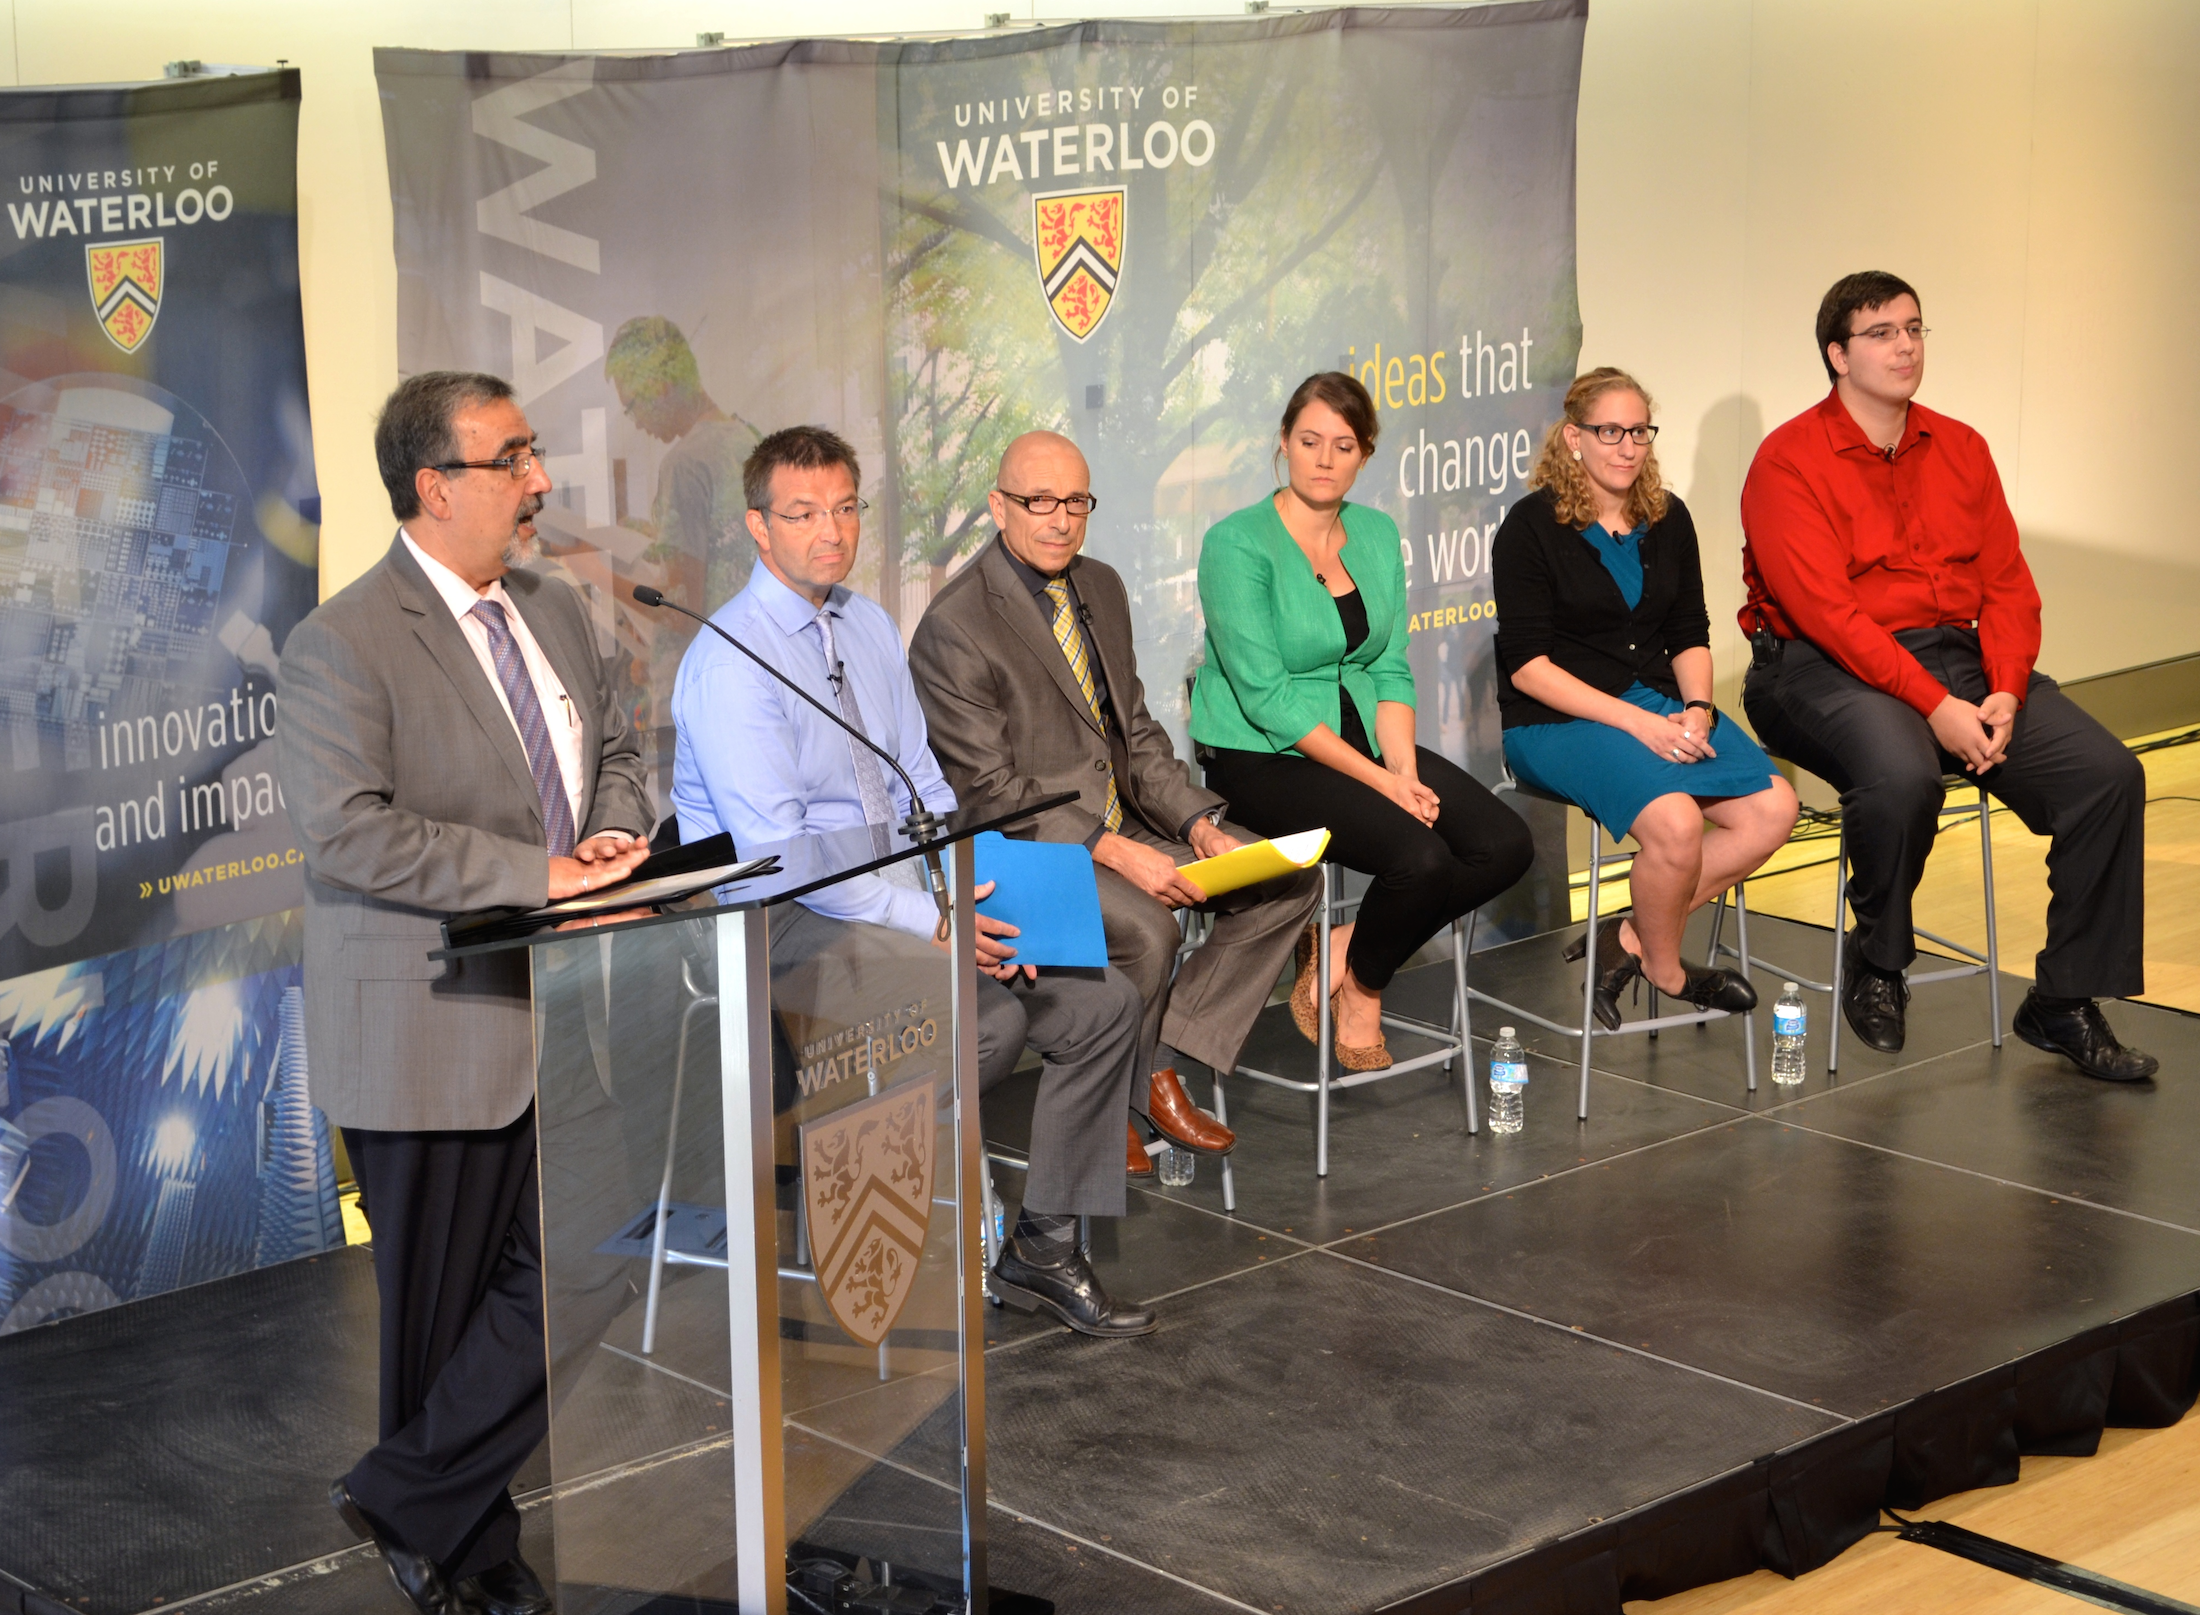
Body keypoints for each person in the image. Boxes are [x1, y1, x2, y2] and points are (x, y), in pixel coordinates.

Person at [278, 372, 653, 1615]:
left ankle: (403, 1491)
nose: (539, 481)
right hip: (428, 1023)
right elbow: (349, 834)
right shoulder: (341, 641)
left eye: (534, 455)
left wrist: (606, 838)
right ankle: (467, 1550)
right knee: (437, 1314)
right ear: (436, 486)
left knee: (591, 1260)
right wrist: (539, 875)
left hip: (574, 1008)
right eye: (513, 460)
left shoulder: (554, 606)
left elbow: (615, 751)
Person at [670, 424, 1156, 1336]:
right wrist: (927, 918)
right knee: (987, 1020)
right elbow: (790, 856)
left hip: (905, 893)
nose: (831, 530)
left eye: (847, 508)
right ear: (756, 527)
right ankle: (874, 1252)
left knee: (1104, 1005)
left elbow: (922, 782)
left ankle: (1044, 1247)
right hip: (782, 924)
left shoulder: (863, 622)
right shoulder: (732, 660)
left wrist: (960, 886)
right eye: (804, 512)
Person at [1741, 270, 2155, 1080]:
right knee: (1900, 776)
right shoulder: (1787, 460)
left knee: (2109, 775)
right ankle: (1878, 956)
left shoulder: (1960, 446)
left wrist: (2002, 687)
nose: (1905, 345)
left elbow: (2007, 584)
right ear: (1836, 354)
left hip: (1957, 658)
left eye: (1915, 328)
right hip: (1815, 667)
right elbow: (1830, 614)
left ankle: (2062, 1000)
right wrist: (1934, 706)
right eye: (1883, 332)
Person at [910, 430, 1321, 1179]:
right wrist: (1114, 848)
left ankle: (1156, 1063)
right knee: (1149, 927)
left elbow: (1133, 731)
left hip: (1121, 822)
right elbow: (988, 795)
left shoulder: (1099, 585)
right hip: (1028, 848)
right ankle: (1113, 1100)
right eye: (1039, 502)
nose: (1060, 519)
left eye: (1075, 501)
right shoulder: (954, 626)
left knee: (1288, 879)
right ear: (1000, 507)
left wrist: (1201, 823)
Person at [1191, 372, 1535, 1071]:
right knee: (1420, 856)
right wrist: (1383, 782)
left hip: (1362, 737)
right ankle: (1366, 991)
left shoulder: (1375, 534)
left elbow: (1390, 666)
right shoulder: (1236, 544)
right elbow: (1267, 699)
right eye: (1310, 441)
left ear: (1365, 455)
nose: (1324, 458)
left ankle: (1344, 951)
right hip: (1261, 754)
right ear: (1283, 445)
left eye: (1342, 445)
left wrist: (1402, 767)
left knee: (1503, 844)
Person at [1493, 368, 1797, 1028]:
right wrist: (1643, 726)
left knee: (1775, 809)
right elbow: (1529, 670)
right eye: (1610, 431)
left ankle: (1630, 936)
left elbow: (1689, 631)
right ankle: (1666, 968)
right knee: (1678, 823)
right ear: (1574, 438)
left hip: (1656, 700)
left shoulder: (1667, 515)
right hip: (1557, 717)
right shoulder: (1529, 527)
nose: (1628, 446)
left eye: (1639, 431)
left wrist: (1696, 709)